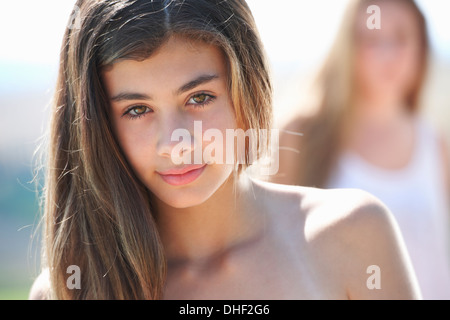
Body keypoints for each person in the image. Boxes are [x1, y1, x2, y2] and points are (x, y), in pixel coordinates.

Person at [29, 0, 420, 300]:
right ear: (96, 124)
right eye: (137, 110)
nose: (175, 144)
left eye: (199, 98)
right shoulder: (67, 290)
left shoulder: (353, 234)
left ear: (248, 86)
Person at [274, 0, 450, 299]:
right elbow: (273, 248)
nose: (387, 54)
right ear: (348, 47)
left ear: (421, 47)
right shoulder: (301, 135)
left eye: (400, 37)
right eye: (372, 39)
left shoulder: (438, 147)